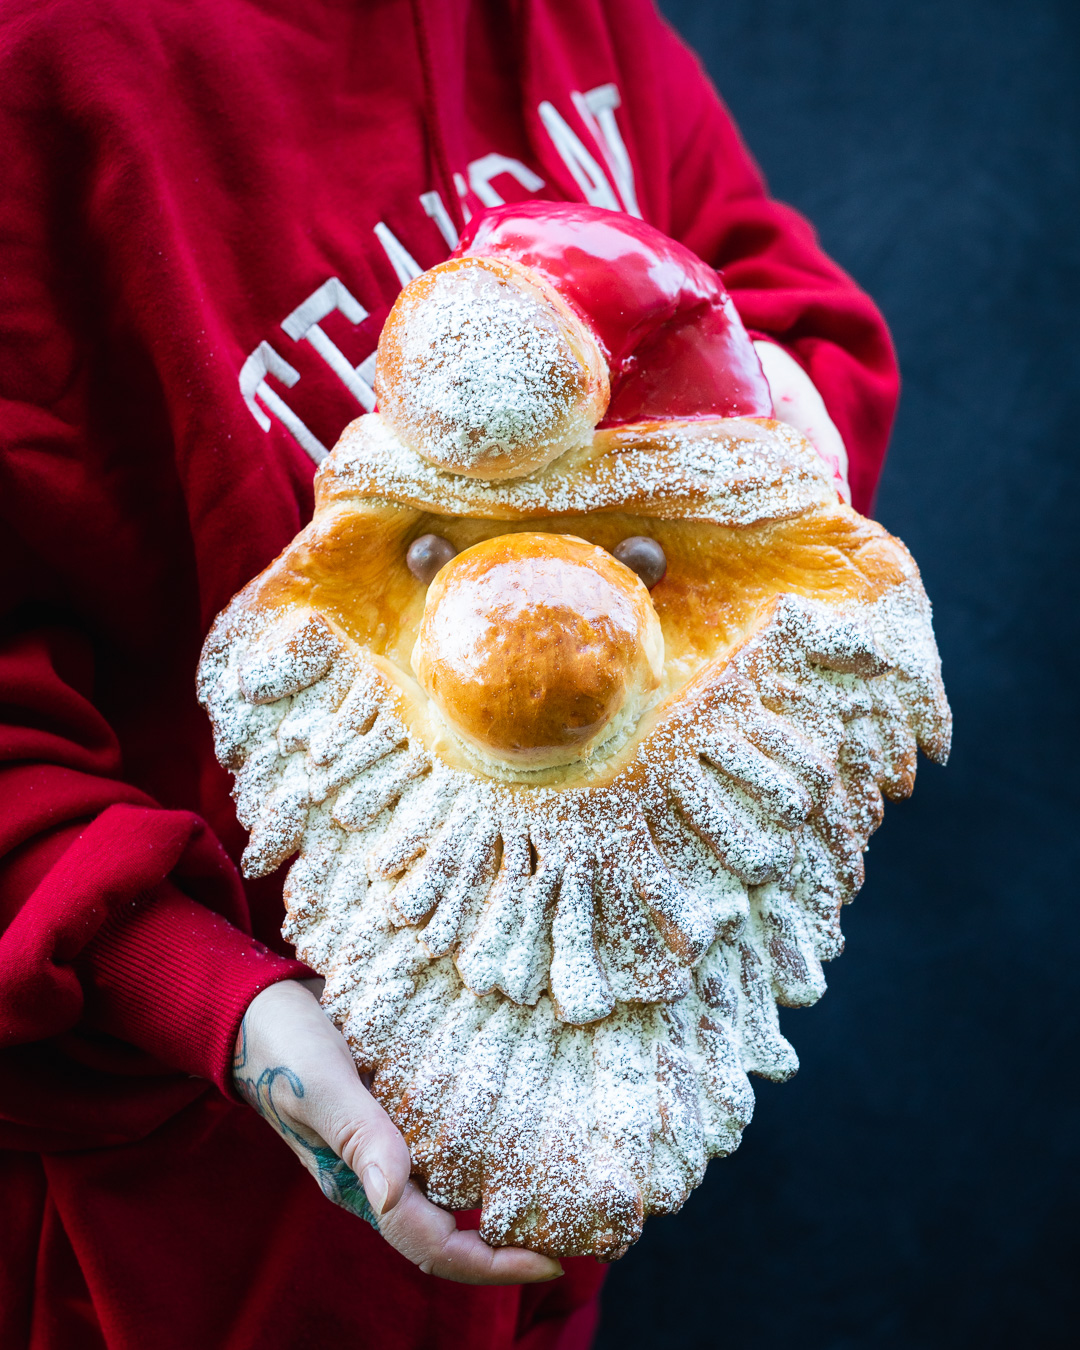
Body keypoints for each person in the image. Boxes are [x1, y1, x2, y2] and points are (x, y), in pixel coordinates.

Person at [0, 0, 899, 1345]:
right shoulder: (46, 68)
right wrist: (209, 995)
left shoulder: (565, 17)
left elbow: (803, 321)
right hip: (184, 1230)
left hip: (559, 1139)